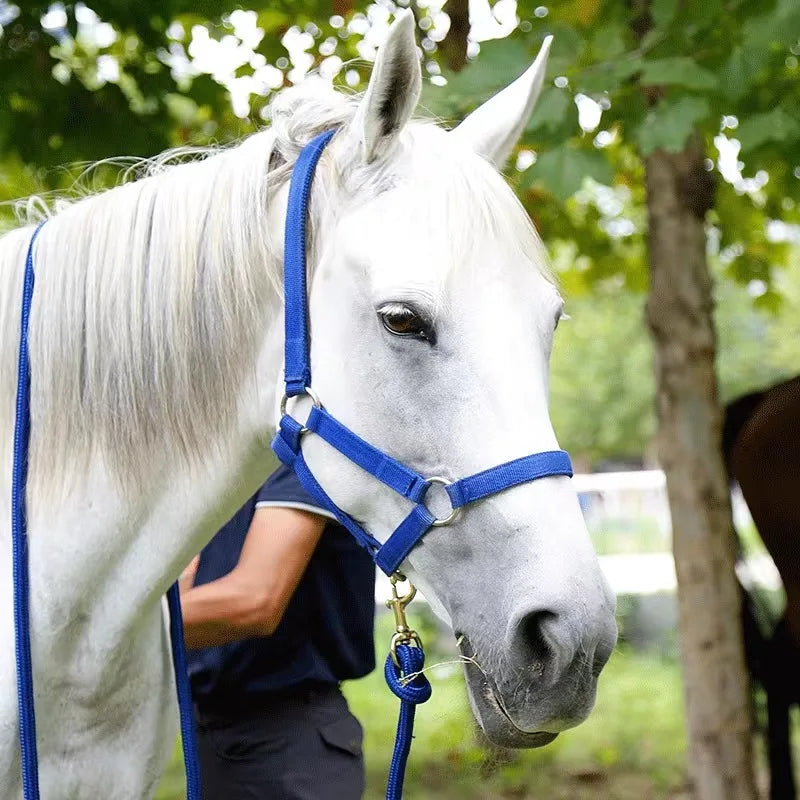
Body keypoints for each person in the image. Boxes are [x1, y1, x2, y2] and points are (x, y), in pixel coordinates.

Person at [180, 464, 377, 800]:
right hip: (207, 730)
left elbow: (255, 602)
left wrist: (103, 626)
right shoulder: (215, 472)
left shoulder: (305, 459)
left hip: (290, 742)